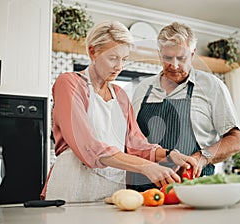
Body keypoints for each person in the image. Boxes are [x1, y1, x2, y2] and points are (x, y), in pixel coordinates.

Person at [41, 21, 199, 203]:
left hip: (113, 188)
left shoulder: (120, 95)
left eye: (124, 59)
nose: (120, 66)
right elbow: (87, 146)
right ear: (93, 52)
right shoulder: (69, 83)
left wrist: (170, 155)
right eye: (113, 58)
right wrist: (146, 166)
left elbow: (136, 145)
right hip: (73, 185)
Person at [131, 22, 240, 190]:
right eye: (168, 58)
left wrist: (202, 157)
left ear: (192, 54)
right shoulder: (142, 89)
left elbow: (235, 140)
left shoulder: (211, 86)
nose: (174, 66)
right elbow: (132, 141)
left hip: (195, 188)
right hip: (143, 191)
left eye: (181, 58)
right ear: (159, 55)